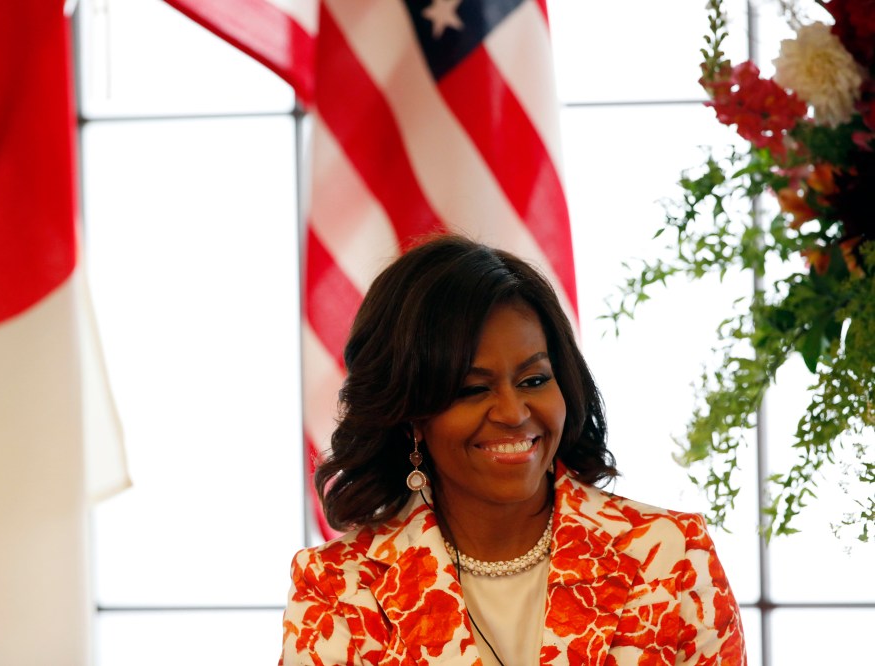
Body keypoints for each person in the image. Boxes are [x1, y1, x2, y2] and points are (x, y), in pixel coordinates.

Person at [280, 235, 746, 665]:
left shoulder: (670, 556)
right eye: (471, 389)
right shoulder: (338, 588)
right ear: (411, 413)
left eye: (535, 380)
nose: (512, 411)